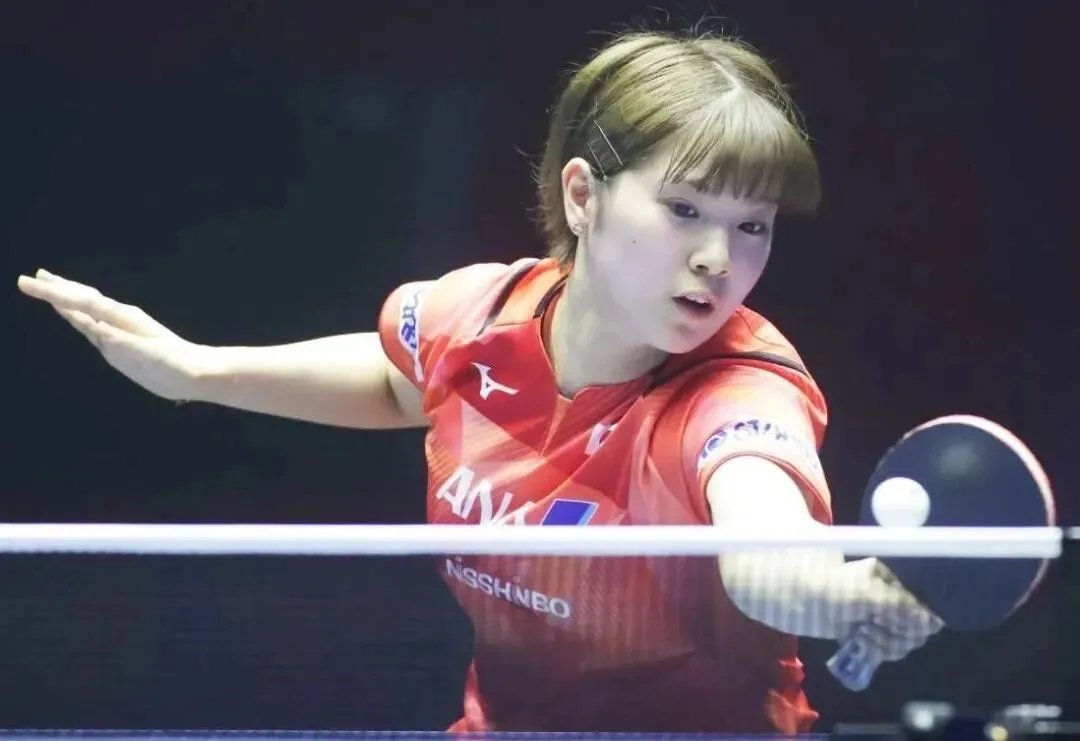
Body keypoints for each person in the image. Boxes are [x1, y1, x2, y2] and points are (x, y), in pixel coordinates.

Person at [18, 28, 941, 734]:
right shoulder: (484, 313)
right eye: (685, 208)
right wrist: (195, 369)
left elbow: (767, 550)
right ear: (582, 195)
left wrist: (838, 595)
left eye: (753, 226)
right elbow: (402, 382)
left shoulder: (739, 390)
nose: (718, 258)